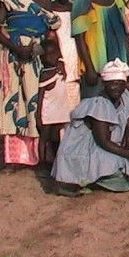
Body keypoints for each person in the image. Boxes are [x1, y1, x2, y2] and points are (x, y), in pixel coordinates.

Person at [0, 0, 61, 167]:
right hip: (13, 55)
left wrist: (47, 52)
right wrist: (15, 47)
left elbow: (51, 29)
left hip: (37, 55)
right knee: (14, 102)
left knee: (36, 103)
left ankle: (38, 154)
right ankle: (16, 156)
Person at [52, 59, 129, 194]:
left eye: (119, 84)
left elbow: (127, 120)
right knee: (118, 164)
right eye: (111, 84)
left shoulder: (125, 97)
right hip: (89, 148)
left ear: (125, 84)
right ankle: (89, 181)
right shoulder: (99, 104)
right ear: (104, 84)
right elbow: (103, 141)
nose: (115, 88)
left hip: (110, 143)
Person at [72, 0, 129, 98]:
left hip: (118, 70)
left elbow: (124, 38)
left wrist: (127, 64)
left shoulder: (118, 3)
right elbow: (79, 39)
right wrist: (89, 68)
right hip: (96, 69)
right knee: (94, 109)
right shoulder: (83, 3)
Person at [49, 0, 81, 111]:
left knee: (73, 104)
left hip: (74, 59)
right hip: (55, 60)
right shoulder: (48, 10)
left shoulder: (76, 10)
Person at [36, 39, 72, 167]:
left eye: (53, 54)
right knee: (45, 138)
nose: (50, 57)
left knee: (56, 137)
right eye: (47, 55)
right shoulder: (45, 74)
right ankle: (42, 162)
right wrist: (38, 116)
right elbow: (40, 98)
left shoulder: (61, 69)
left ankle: (56, 161)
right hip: (48, 112)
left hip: (60, 110)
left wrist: (61, 64)